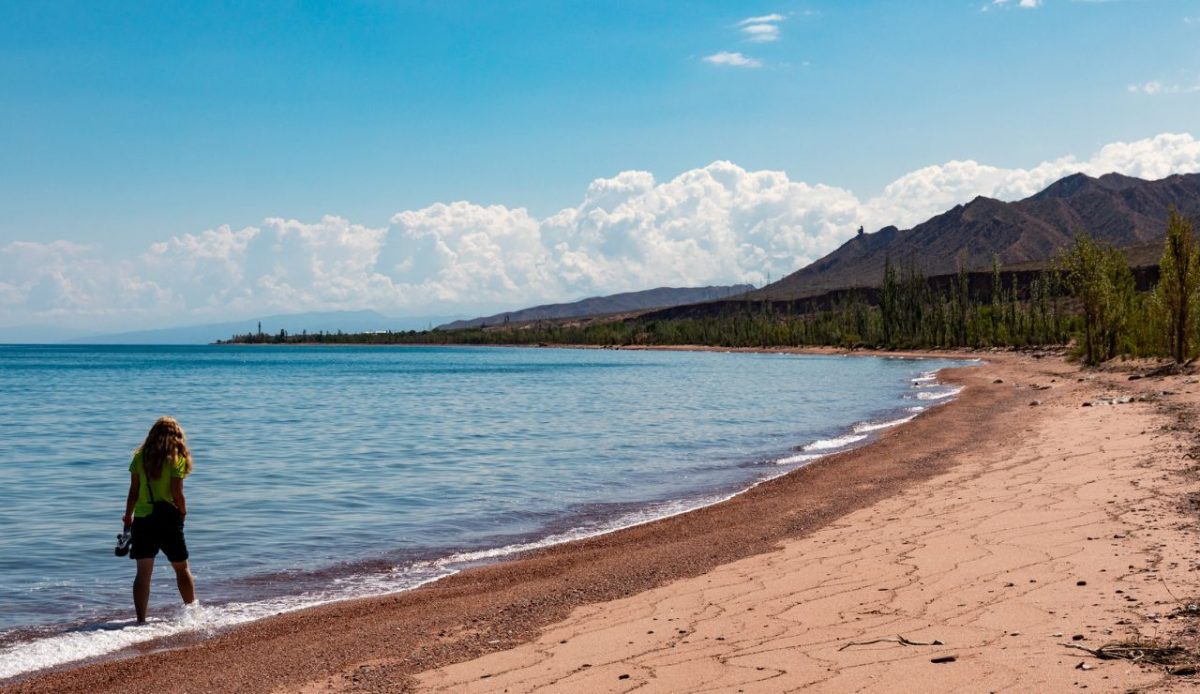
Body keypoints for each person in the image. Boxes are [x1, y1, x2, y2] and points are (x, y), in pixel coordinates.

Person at [121, 416, 197, 623]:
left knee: (143, 575)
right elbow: (177, 493)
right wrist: (183, 512)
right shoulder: (176, 459)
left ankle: (141, 620)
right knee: (181, 569)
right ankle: (192, 614)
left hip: (143, 520)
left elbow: (133, 493)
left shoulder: (139, 457)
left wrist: (128, 519)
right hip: (168, 520)